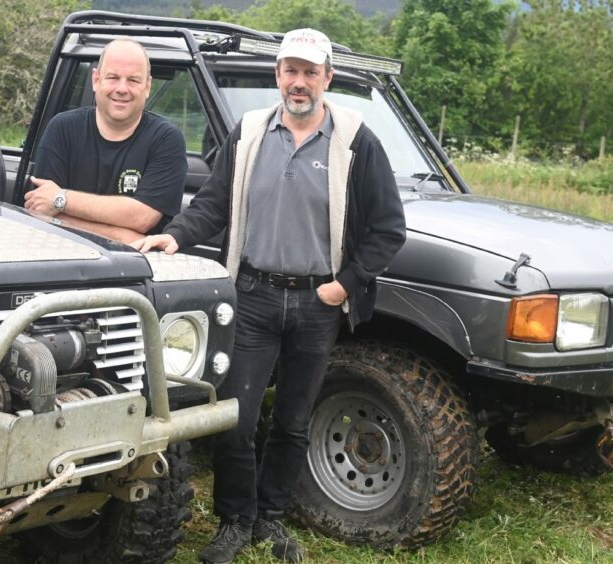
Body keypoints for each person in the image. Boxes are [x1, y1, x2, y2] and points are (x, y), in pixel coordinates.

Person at [132, 28, 406, 563]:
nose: (298, 82)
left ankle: (272, 520)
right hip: (252, 295)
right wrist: (178, 234)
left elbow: (388, 230)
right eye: (289, 71)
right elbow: (213, 204)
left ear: (327, 77)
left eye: (309, 72)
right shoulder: (250, 132)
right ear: (277, 75)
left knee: (294, 421)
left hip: (316, 304)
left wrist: (344, 286)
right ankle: (235, 521)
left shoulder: (356, 142)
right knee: (237, 414)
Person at [24, 38, 187, 244]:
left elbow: (142, 217)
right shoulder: (62, 128)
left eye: (133, 80)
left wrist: (61, 200)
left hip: (133, 270)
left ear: (147, 86)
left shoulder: (166, 139)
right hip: (61, 257)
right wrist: (123, 236)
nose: (122, 88)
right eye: (113, 77)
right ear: (96, 79)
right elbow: (41, 212)